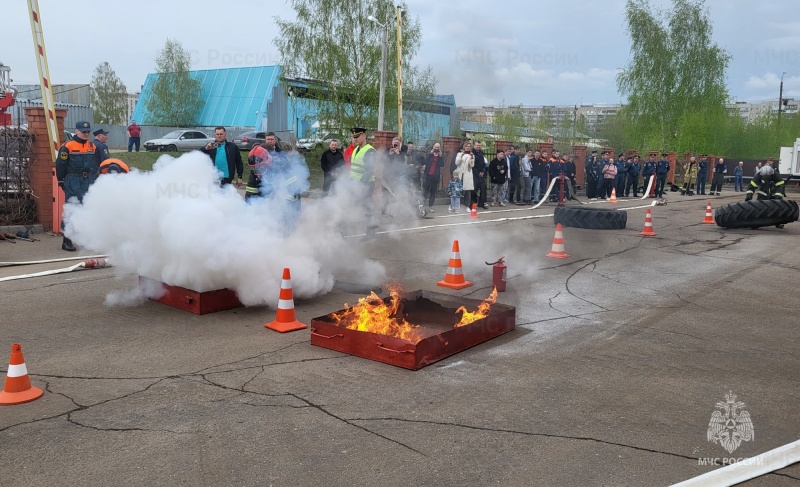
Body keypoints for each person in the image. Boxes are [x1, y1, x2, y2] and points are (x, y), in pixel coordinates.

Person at [56, 121, 99, 251]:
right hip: (73, 179)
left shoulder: (92, 146)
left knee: (87, 208)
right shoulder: (67, 146)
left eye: (87, 132)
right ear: (76, 131)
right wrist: (61, 181)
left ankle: (83, 238)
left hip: (89, 180)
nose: (86, 134)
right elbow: (60, 165)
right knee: (72, 209)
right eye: (83, 131)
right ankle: (67, 240)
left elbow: (96, 163)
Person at [349, 127, 379, 238]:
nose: (354, 139)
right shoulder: (357, 149)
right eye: (353, 137)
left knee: (366, 207)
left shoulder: (369, 151)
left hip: (365, 185)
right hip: (354, 184)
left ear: (364, 136)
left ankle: (371, 231)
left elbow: (369, 170)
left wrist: (361, 185)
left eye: (357, 137)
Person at [421, 142, 445, 212]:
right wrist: (430, 154)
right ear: (433, 147)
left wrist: (440, 156)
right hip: (428, 176)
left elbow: (442, 164)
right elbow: (424, 162)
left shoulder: (439, 157)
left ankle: (430, 206)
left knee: (433, 192)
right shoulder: (430, 155)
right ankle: (422, 205)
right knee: (425, 191)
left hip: (435, 177)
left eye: (438, 147)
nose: (436, 149)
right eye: (435, 147)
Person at [455, 141, 475, 211]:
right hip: (461, 174)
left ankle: (467, 206)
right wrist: (461, 156)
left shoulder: (472, 155)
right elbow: (457, 163)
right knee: (460, 191)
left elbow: (472, 165)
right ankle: (459, 205)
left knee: (467, 191)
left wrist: (472, 158)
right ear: (464, 147)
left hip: (468, 175)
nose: (468, 148)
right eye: (466, 146)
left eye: (469, 147)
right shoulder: (459, 154)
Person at [472, 141, 488, 209]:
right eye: (477, 145)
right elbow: (472, 165)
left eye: (479, 145)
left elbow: (484, 164)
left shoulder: (481, 153)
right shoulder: (472, 153)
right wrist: (478, 173)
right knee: (474, 190)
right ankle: (473, 203)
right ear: (474, 146)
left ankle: (482, 203)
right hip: (475, 174)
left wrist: (483, 172)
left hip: (482, 174)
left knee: (483, 188)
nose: (478, 146)